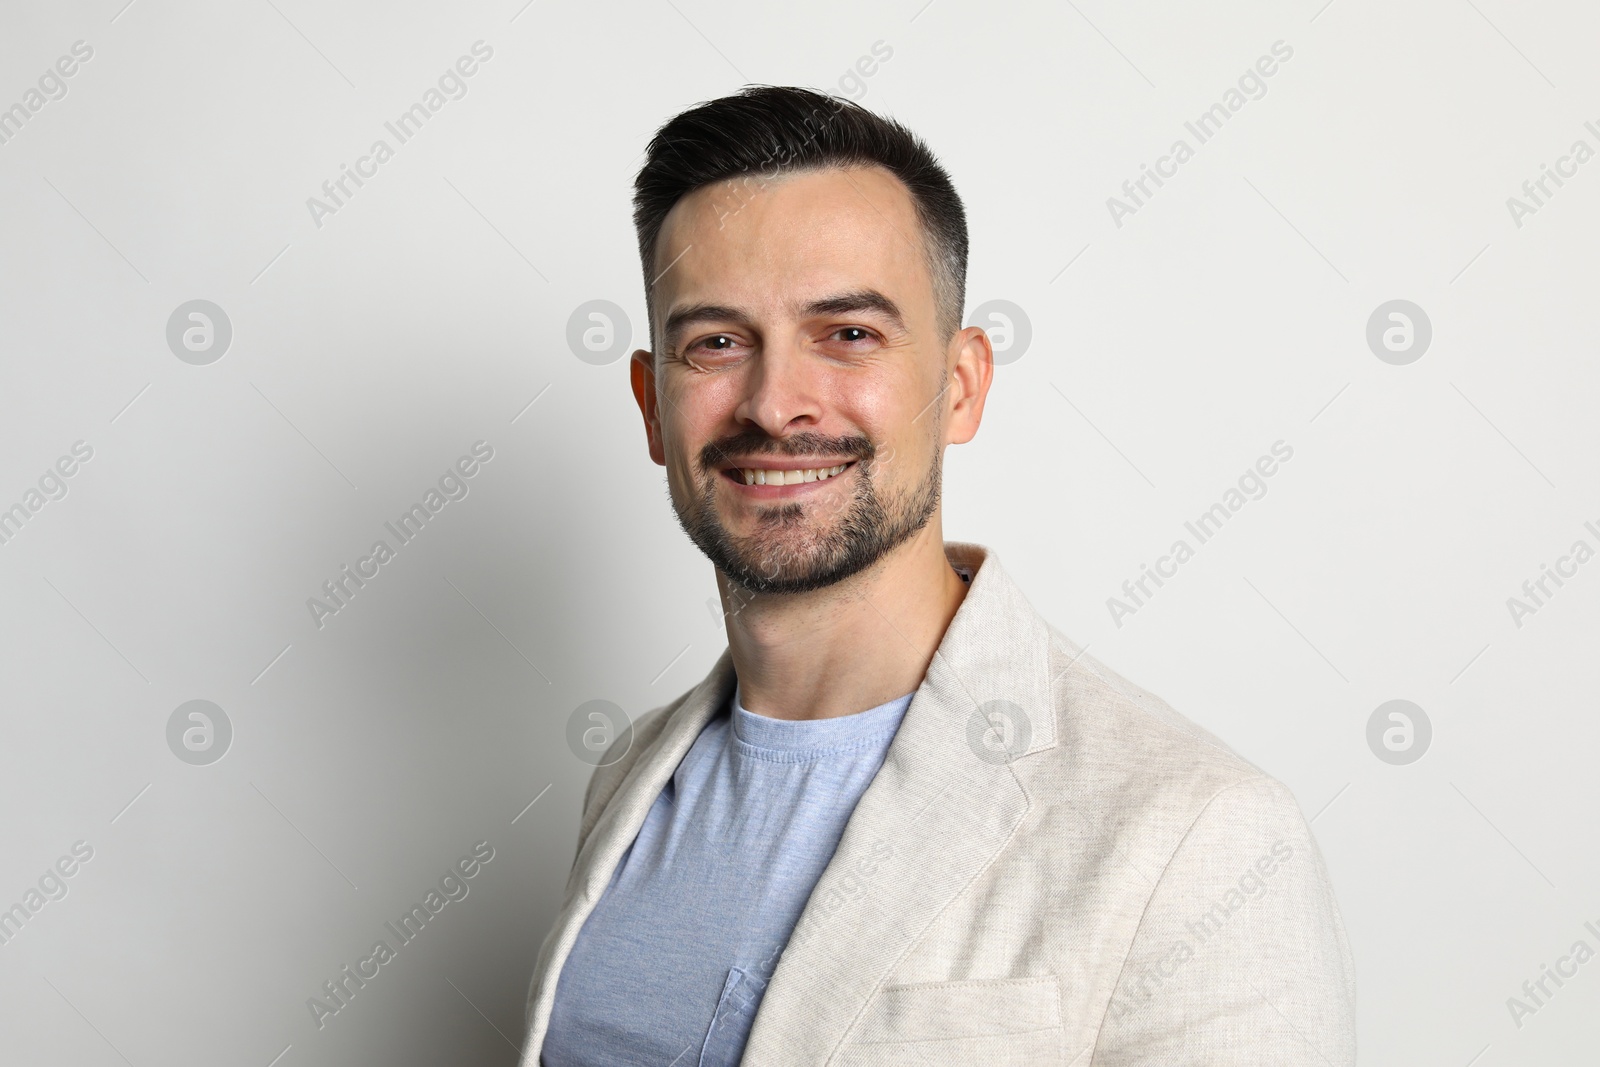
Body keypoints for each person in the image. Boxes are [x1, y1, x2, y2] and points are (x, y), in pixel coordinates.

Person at [521, 86, 1355, 1066]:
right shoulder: (626, 778)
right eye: (715, 342)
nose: (775, 402)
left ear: (960, 385)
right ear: (652, 406)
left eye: (849, 333)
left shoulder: (1199, 833)